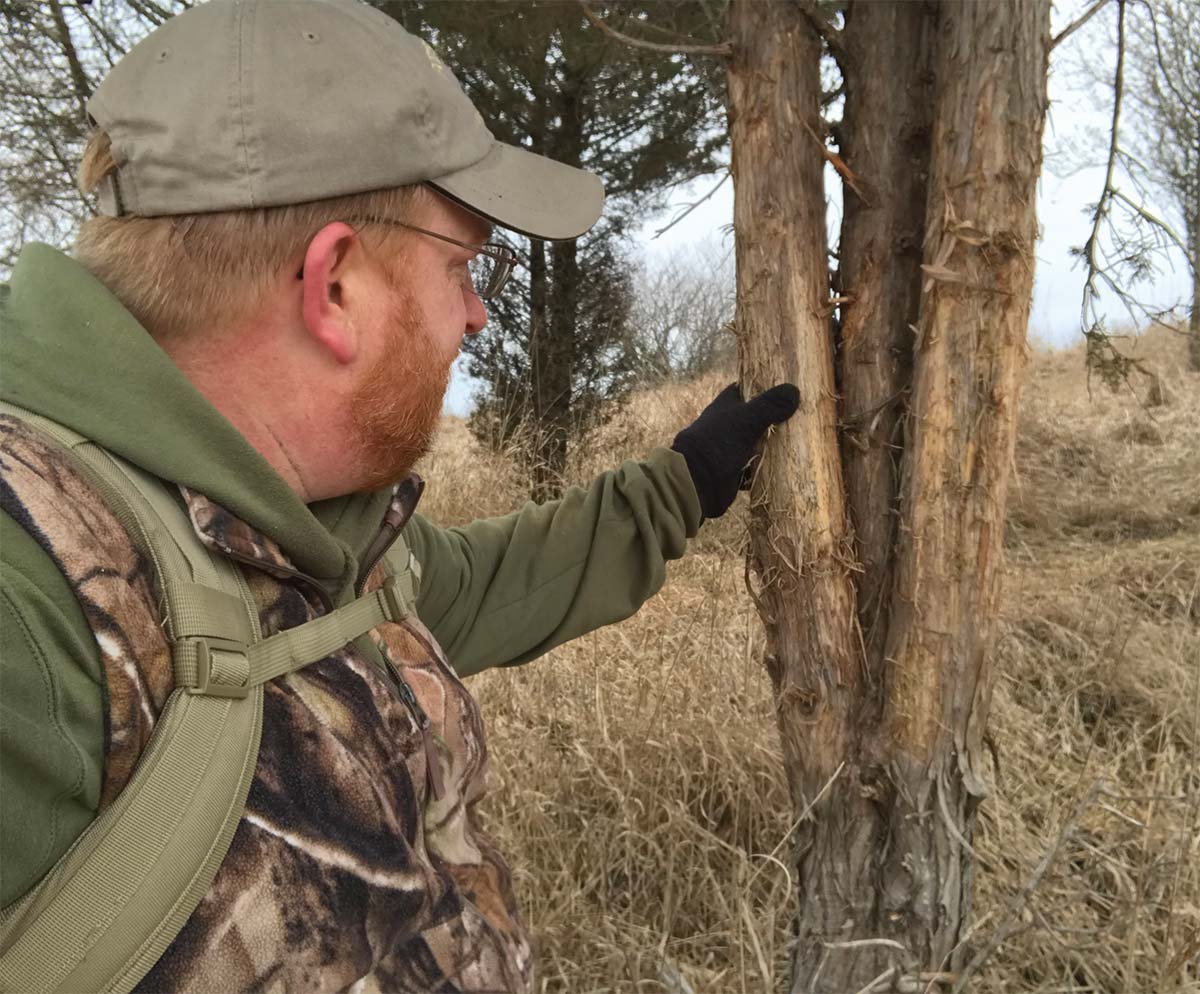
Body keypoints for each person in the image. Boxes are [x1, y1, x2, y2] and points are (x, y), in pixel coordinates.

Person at [0, 1, 799, 990]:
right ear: (335, 284)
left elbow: (477, 584)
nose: (476, 310)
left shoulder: (304, 532)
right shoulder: (23, 602)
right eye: (462, 264)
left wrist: (681, 483)